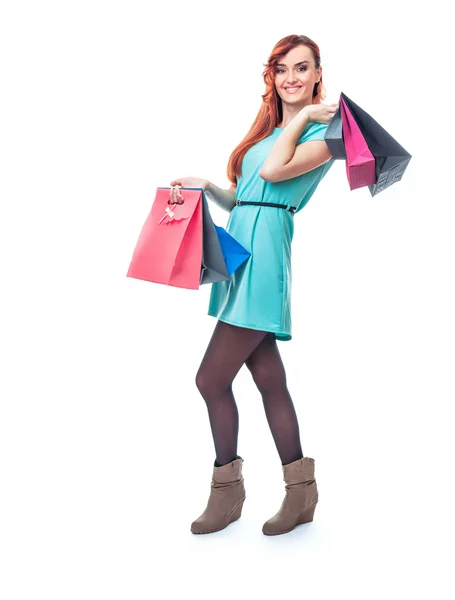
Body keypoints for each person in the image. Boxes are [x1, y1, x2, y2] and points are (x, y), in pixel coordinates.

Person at [168, 34, 338, 536]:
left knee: (210, 380)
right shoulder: (272, 129)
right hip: (239, 250)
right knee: (268, 379)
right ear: (273, 75)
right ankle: (300, 493)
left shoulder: (325, 137)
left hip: (265, 257)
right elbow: (246, 194)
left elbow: (272, 174)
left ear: (316, 74)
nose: (291, 77)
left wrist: (306, 118)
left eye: (302, 68)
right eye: (282, 68)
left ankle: (228, 493)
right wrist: (208, 187)